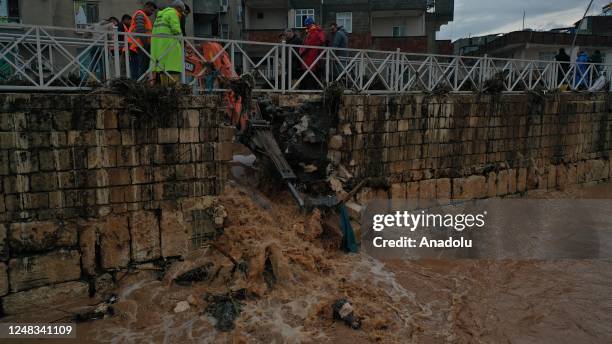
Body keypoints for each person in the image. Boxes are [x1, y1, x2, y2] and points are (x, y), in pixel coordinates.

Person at [150, 0, 185, 85]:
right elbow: (176, 29)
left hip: (158, 48)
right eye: (181, 12)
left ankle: (164, 88)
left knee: (162, 71)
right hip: (170, 48)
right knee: (172, 71)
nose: (180, 15)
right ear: (178, 8)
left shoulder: (160, 16)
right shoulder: (173, 13)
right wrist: (182, 40)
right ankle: (172, 90)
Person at [128, 1, 157, 80]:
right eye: (151, 10)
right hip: (139, 45)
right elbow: (140, 30)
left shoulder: (144, 16)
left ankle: (140, 83)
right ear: (146, 6)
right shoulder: (140, 14)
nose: (152, 13)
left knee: (141, 66)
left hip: (140, 44)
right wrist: (146, 44)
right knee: (140, 67)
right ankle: (139, 84)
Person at [298, 17, 325, 89]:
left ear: (309, 24)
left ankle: (310, 89)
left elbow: (309, 44)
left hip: (311, 56)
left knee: (310, 74)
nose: (306, 27)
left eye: (307, 25)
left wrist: (301, 51)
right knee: (310, 73)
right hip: (310, 56)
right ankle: (309, 88)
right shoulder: (313, 31)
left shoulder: (314, 32)